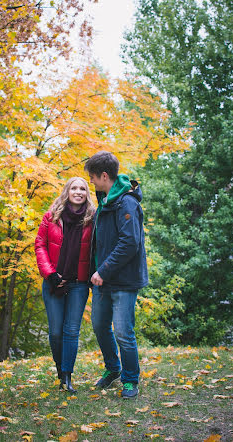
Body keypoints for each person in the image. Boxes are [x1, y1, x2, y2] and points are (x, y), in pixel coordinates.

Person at [84, 151, 148, 399]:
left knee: (123, 331)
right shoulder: (104, 201)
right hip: (101, 280)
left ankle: (131, 380)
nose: (91, 182)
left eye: (93, 177)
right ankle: (113, 369)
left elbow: (130, 242)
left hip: (122, 280)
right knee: (100, 327)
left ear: (104, 175)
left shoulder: (127, 202)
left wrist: (103, 269)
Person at [35, 177, 95, 393]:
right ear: (67, 191)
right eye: (74, 188)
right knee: (56, 332)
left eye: (83, 189)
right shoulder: (51, 217)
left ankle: (67, 377)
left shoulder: (92, 219)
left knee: (71, 330)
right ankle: (60, 369)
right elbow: (40, 244)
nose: (78, 192)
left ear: (87, 193)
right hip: (54, 281)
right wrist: (49, 274)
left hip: (79, 283)